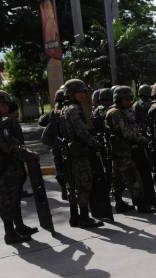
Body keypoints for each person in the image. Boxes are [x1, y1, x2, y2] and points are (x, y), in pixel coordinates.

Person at [0, 89, 39, 244]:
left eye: (6, 104)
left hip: (8, 168)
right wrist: (30, 154)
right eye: (2, 104)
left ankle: (19, 227)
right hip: (4, 169)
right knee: (7, 201)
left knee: (15, 199)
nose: (6, 107)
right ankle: (10, 234)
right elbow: (11, 147)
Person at [60, 79, 105, 228]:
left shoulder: (64, 107)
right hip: (79, 152)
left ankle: (74, 217)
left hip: (70, 151)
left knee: (73, 185)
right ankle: (84, 217)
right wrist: (96, 145)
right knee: (84, 185)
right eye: (79, 92)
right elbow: (81, 132)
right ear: (71, 94)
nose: (82, 94)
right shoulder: (73, 109)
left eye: (83, 92)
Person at [106, 86, 156, 213]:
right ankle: (141, 205)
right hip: (122, 151)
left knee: (119, 179)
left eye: (130, 98)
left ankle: (119, 203)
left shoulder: (125, 110)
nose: (129, 101)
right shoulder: (115, 113)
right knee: (133, 179)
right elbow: (127, 134)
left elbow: (133, 128)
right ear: (118, 99)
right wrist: (142, 139)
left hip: (124, 150)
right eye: (126, 99)